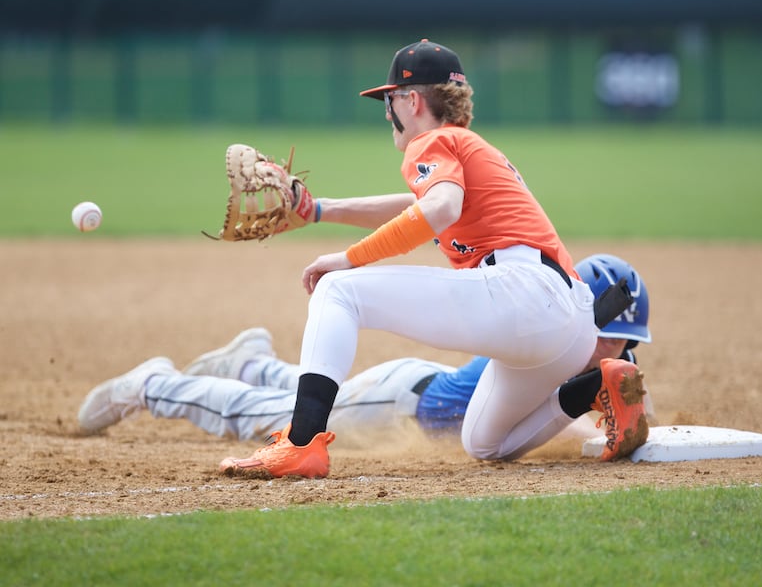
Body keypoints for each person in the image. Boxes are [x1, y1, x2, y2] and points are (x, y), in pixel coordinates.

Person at [83, 39, 649, 478]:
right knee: (485, 445)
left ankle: (301, 444)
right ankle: (595, 384)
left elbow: (440, 209)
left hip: (520, 295)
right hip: (568, 323)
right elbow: (419, 205)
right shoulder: (474, 150)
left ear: (413, 99)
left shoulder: (435, 142)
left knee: (338, 290)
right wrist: (320, 208)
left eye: (391, 100)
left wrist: (349, 259)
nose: (388, 113)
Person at [77, 254, 654, 451]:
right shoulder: (539, 348)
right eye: (623, 343)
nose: (625, 356)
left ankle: (251, 361)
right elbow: (543, 411)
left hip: (407, 386)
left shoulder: (547, 342)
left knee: (296, 389)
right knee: (255, 419)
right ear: (599, 323)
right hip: (394, 407)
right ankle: (155, 384)